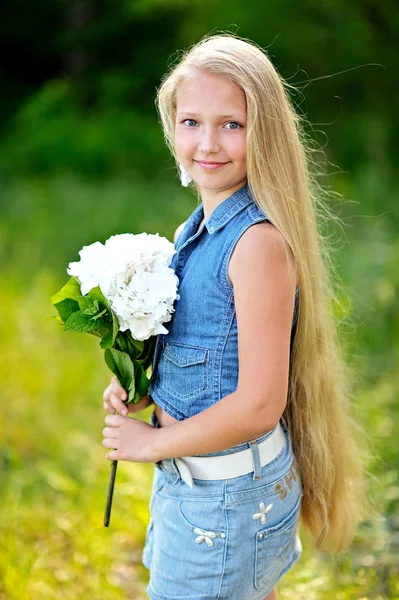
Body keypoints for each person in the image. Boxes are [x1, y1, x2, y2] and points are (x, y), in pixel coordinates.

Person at [102, 33, 369, 600]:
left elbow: (257, 403)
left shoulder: (256, 245)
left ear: (263, 134)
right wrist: (143, 387)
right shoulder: (194, 230)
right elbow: (210, 356)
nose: (207, 143)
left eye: (232, 124)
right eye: (192, 121)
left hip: (222, 505)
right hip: (204, 493)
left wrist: (147, 444)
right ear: (171, 126)